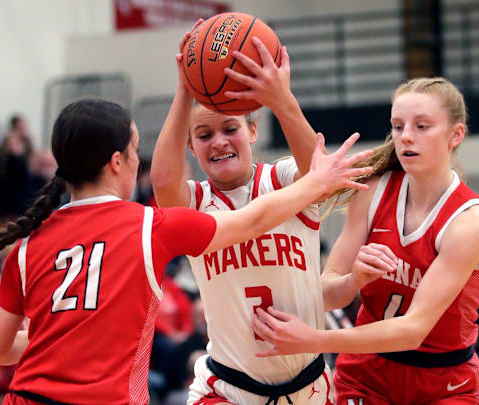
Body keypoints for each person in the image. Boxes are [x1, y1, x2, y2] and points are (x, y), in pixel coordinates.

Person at [0, 98, 372, 405]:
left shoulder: (28, 244)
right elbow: (251, 221)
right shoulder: (148, 226)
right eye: (134, 150)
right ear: (117, 162)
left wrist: (59, 340)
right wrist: (318, 181)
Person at [151, 24, 361, 405]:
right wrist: (185, 87)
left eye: (230, 128)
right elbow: (163, 181)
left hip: (309, 387)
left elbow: (316, 167)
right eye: (203, 134)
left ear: (251, 131)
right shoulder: (195, 203)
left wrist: (282, 99)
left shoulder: (282, 180)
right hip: (229, 390)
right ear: (191, 147)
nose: (218, 141)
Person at [253, 77, 479, 405]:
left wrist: (314, 339)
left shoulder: (469, 220)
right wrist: (353, 279)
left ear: (456, 135)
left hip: (444, 381)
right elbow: (324, 295)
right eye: (398, 126)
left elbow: (413, 330)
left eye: (422, 126)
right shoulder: (375, 191)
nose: (406, 136)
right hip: (368, 373)